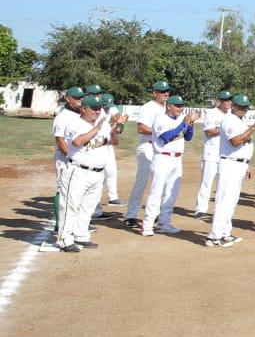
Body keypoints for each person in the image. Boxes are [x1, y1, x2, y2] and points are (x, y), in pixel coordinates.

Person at [56, 95, 125, 252]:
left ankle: (81, 235)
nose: (97, 111)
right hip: (78, 171)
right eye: (93, 108)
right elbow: (77, 142)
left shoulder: (103, 124)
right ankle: (64, 239)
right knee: (70, 206)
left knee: (88, 206)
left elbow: (114, 142)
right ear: (83, 108)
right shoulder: (75, 123)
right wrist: (97, 129)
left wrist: (115, 129)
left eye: (99, 108)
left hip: (97, 173)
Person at [208, 94, 255, 247]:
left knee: (231, 202)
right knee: (224, 202)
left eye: (246, 107)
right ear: (233, 106)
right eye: (241, 107)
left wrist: (247, 165)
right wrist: (254, 128)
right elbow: (236, 142)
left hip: (239, 164)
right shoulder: (229, 120)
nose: (244, 109)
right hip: (230, 164)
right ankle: (214, 236)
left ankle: (225, 233)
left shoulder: (239, 121)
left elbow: (243, 144)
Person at [141, 95, 199, 236]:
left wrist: (190, 124)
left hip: (177, 160)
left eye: (181, 105)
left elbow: (188, 137)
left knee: (171, 194)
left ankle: (164, 223)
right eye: (177, 105)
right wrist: (184, 123)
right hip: (162, 158)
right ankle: (148, 225)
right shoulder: (160, 118)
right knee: (156, 193)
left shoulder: (181, 119)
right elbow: (166, 137)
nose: (180, 108)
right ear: (169, 106)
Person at [124, 80, 171, 228]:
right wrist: (160, 132)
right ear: (154, 93)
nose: (166, 94)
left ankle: (155, 213)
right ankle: (131, 215)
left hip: (162, 148)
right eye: (162, 91)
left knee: (160, 183)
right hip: (148, 146)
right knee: (142, 182)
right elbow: (141, 128)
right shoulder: (148, 107)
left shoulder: (169, 108)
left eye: (167, 91)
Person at [48, 87, 85, 250]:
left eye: (81, 97)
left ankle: (73, 226)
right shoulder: (63, 117)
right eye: (76, 98)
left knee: (75, 192)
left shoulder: (79, 114)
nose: (80, 100)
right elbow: (60, 140)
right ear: (68, 99)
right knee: (62, 191)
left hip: (77, 158)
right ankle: (59, 225)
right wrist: (71, 156)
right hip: (65, 158)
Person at [193, 92, 231, 218]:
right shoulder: (212, 113)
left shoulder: (231, 115)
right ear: (220, 101)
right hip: (211, 153)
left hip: (225, 153)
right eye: (225, 100)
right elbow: (209, 132)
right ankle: (201, 209)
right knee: (207, 182)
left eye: (230, 100)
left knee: (222, 183)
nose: (228, 102)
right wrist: (224, 130)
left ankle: (219, 210)